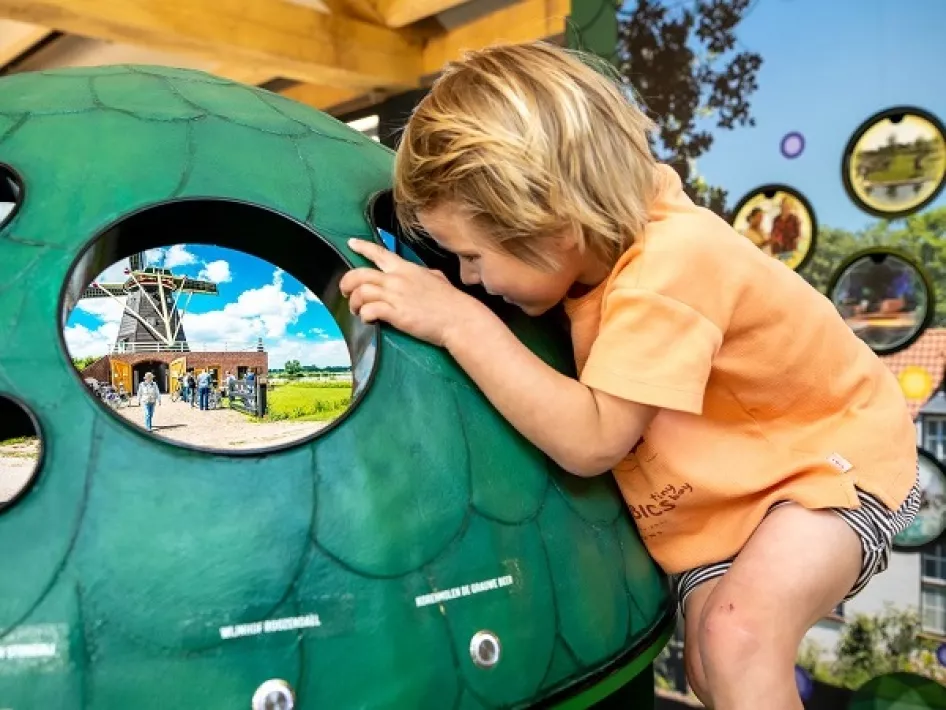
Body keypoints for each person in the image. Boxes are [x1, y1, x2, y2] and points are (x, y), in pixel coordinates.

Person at [338, 42, 920, 709]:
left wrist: (459, 323)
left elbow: (593, 440)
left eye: (472, 257)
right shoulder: (593, 262)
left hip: (826, 463)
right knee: (710, 661)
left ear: (553, 223)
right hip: (731, 498)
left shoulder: (671, 264)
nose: (470, 280)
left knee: (738, 640)